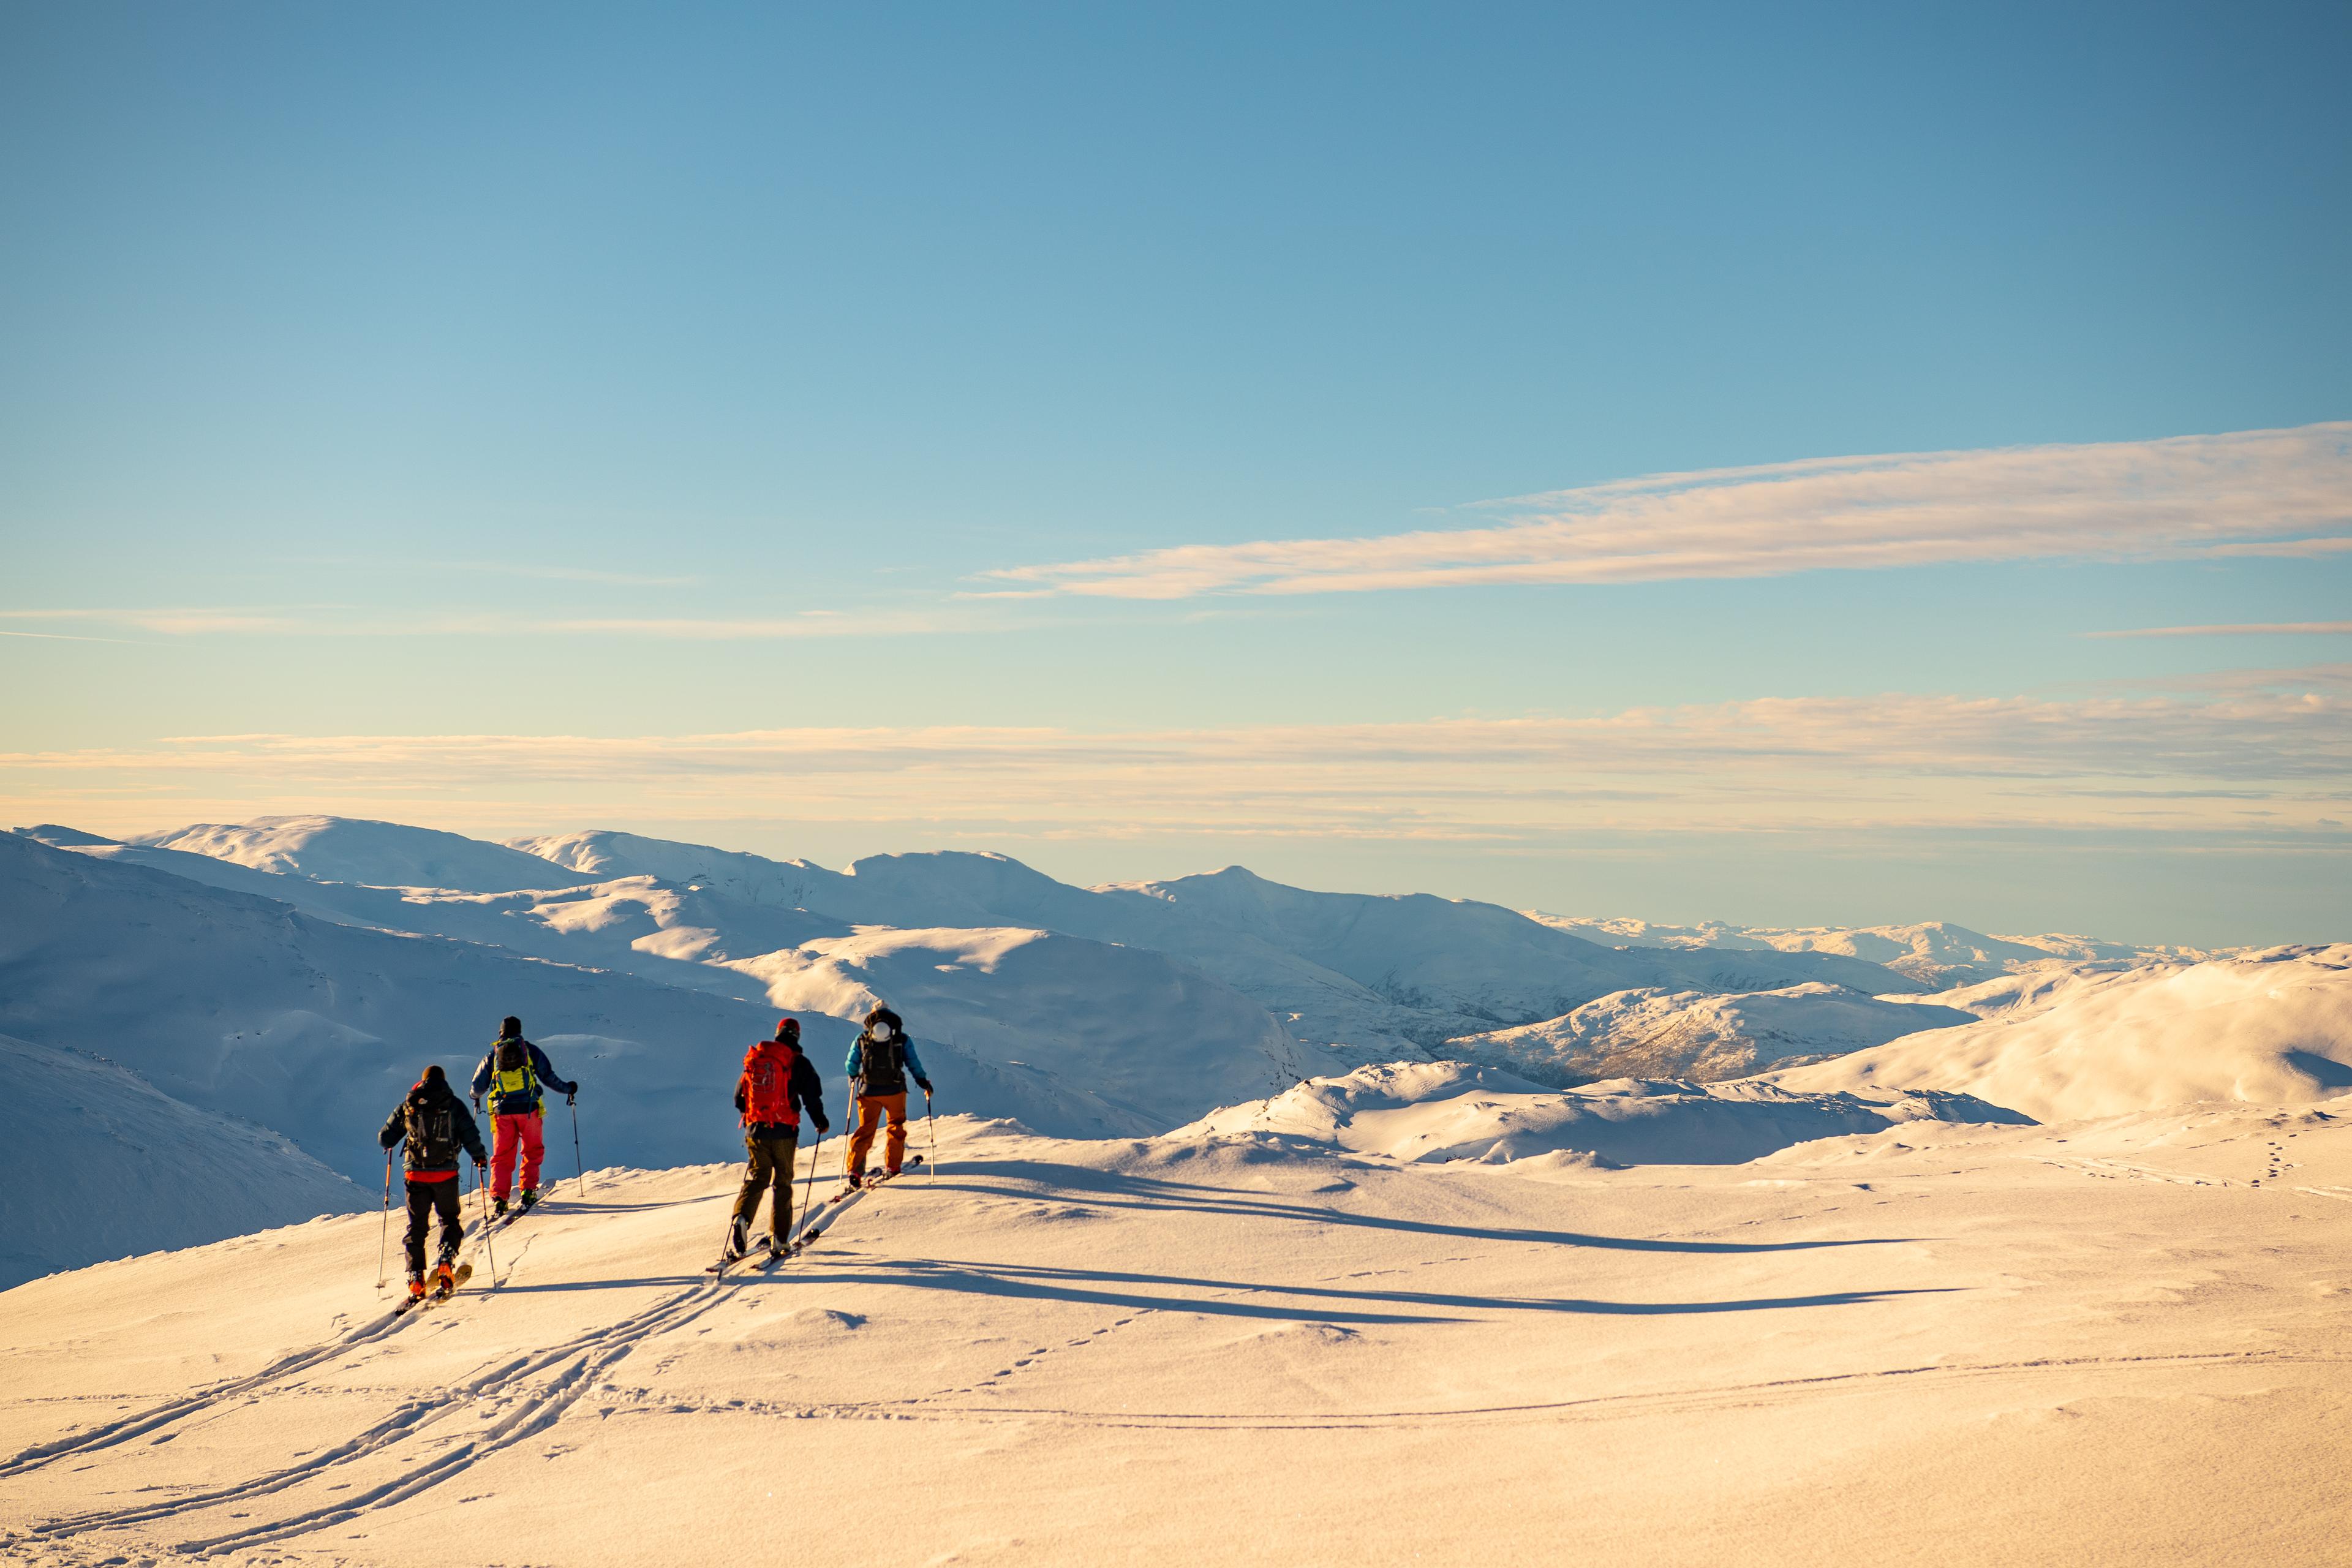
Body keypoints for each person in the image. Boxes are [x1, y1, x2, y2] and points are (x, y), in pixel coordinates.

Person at [379, 1065, 488, 1301]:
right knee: (449, 1220)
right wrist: (479, 1156)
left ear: (422, 1081)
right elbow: (470, 1135)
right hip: (445, 1174)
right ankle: (447, 1260)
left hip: (415, 1175)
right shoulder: (453, 1104)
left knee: (416, 1227)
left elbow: (385, 1138)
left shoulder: (409, 1104)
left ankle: (416, 1277)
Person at [726, 1017, 831, 1259]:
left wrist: (754, 1118)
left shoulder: (757, 1059)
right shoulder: (798, 1062)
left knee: (757, 1177)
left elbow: (738, 1098)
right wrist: (820, 1122)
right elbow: (812, 1097)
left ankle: (742, 1217)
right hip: (784, 1132)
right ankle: (780, 1239)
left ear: (778, 1033)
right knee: (782, 1183)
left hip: (755, 1131)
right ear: (797, 1036)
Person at [469, 1015, 579, 1215]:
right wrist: (568, 1088)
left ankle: (500, 1199)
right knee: (532, 1150)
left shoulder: (492, 1055)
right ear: (520, 1031)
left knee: (502, 1156)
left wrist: (474, 1097)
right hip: (529, 1110)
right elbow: (548, 1077)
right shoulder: (529, 1051)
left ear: (500, 1033)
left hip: (502, 1113)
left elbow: (477, 1088)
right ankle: (528, 1191)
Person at [843, 1005, 932, 1184]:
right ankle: (892, 1166)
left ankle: (855, 1170)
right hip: (895, 1090)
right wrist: (923, 1081)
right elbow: (913, 1062)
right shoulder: (901, 1038)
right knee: (895, 1127)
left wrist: (853, 1076)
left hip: (869, 1091)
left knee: (865, 1130)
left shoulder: (862, 1038)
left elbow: (851, 1063)